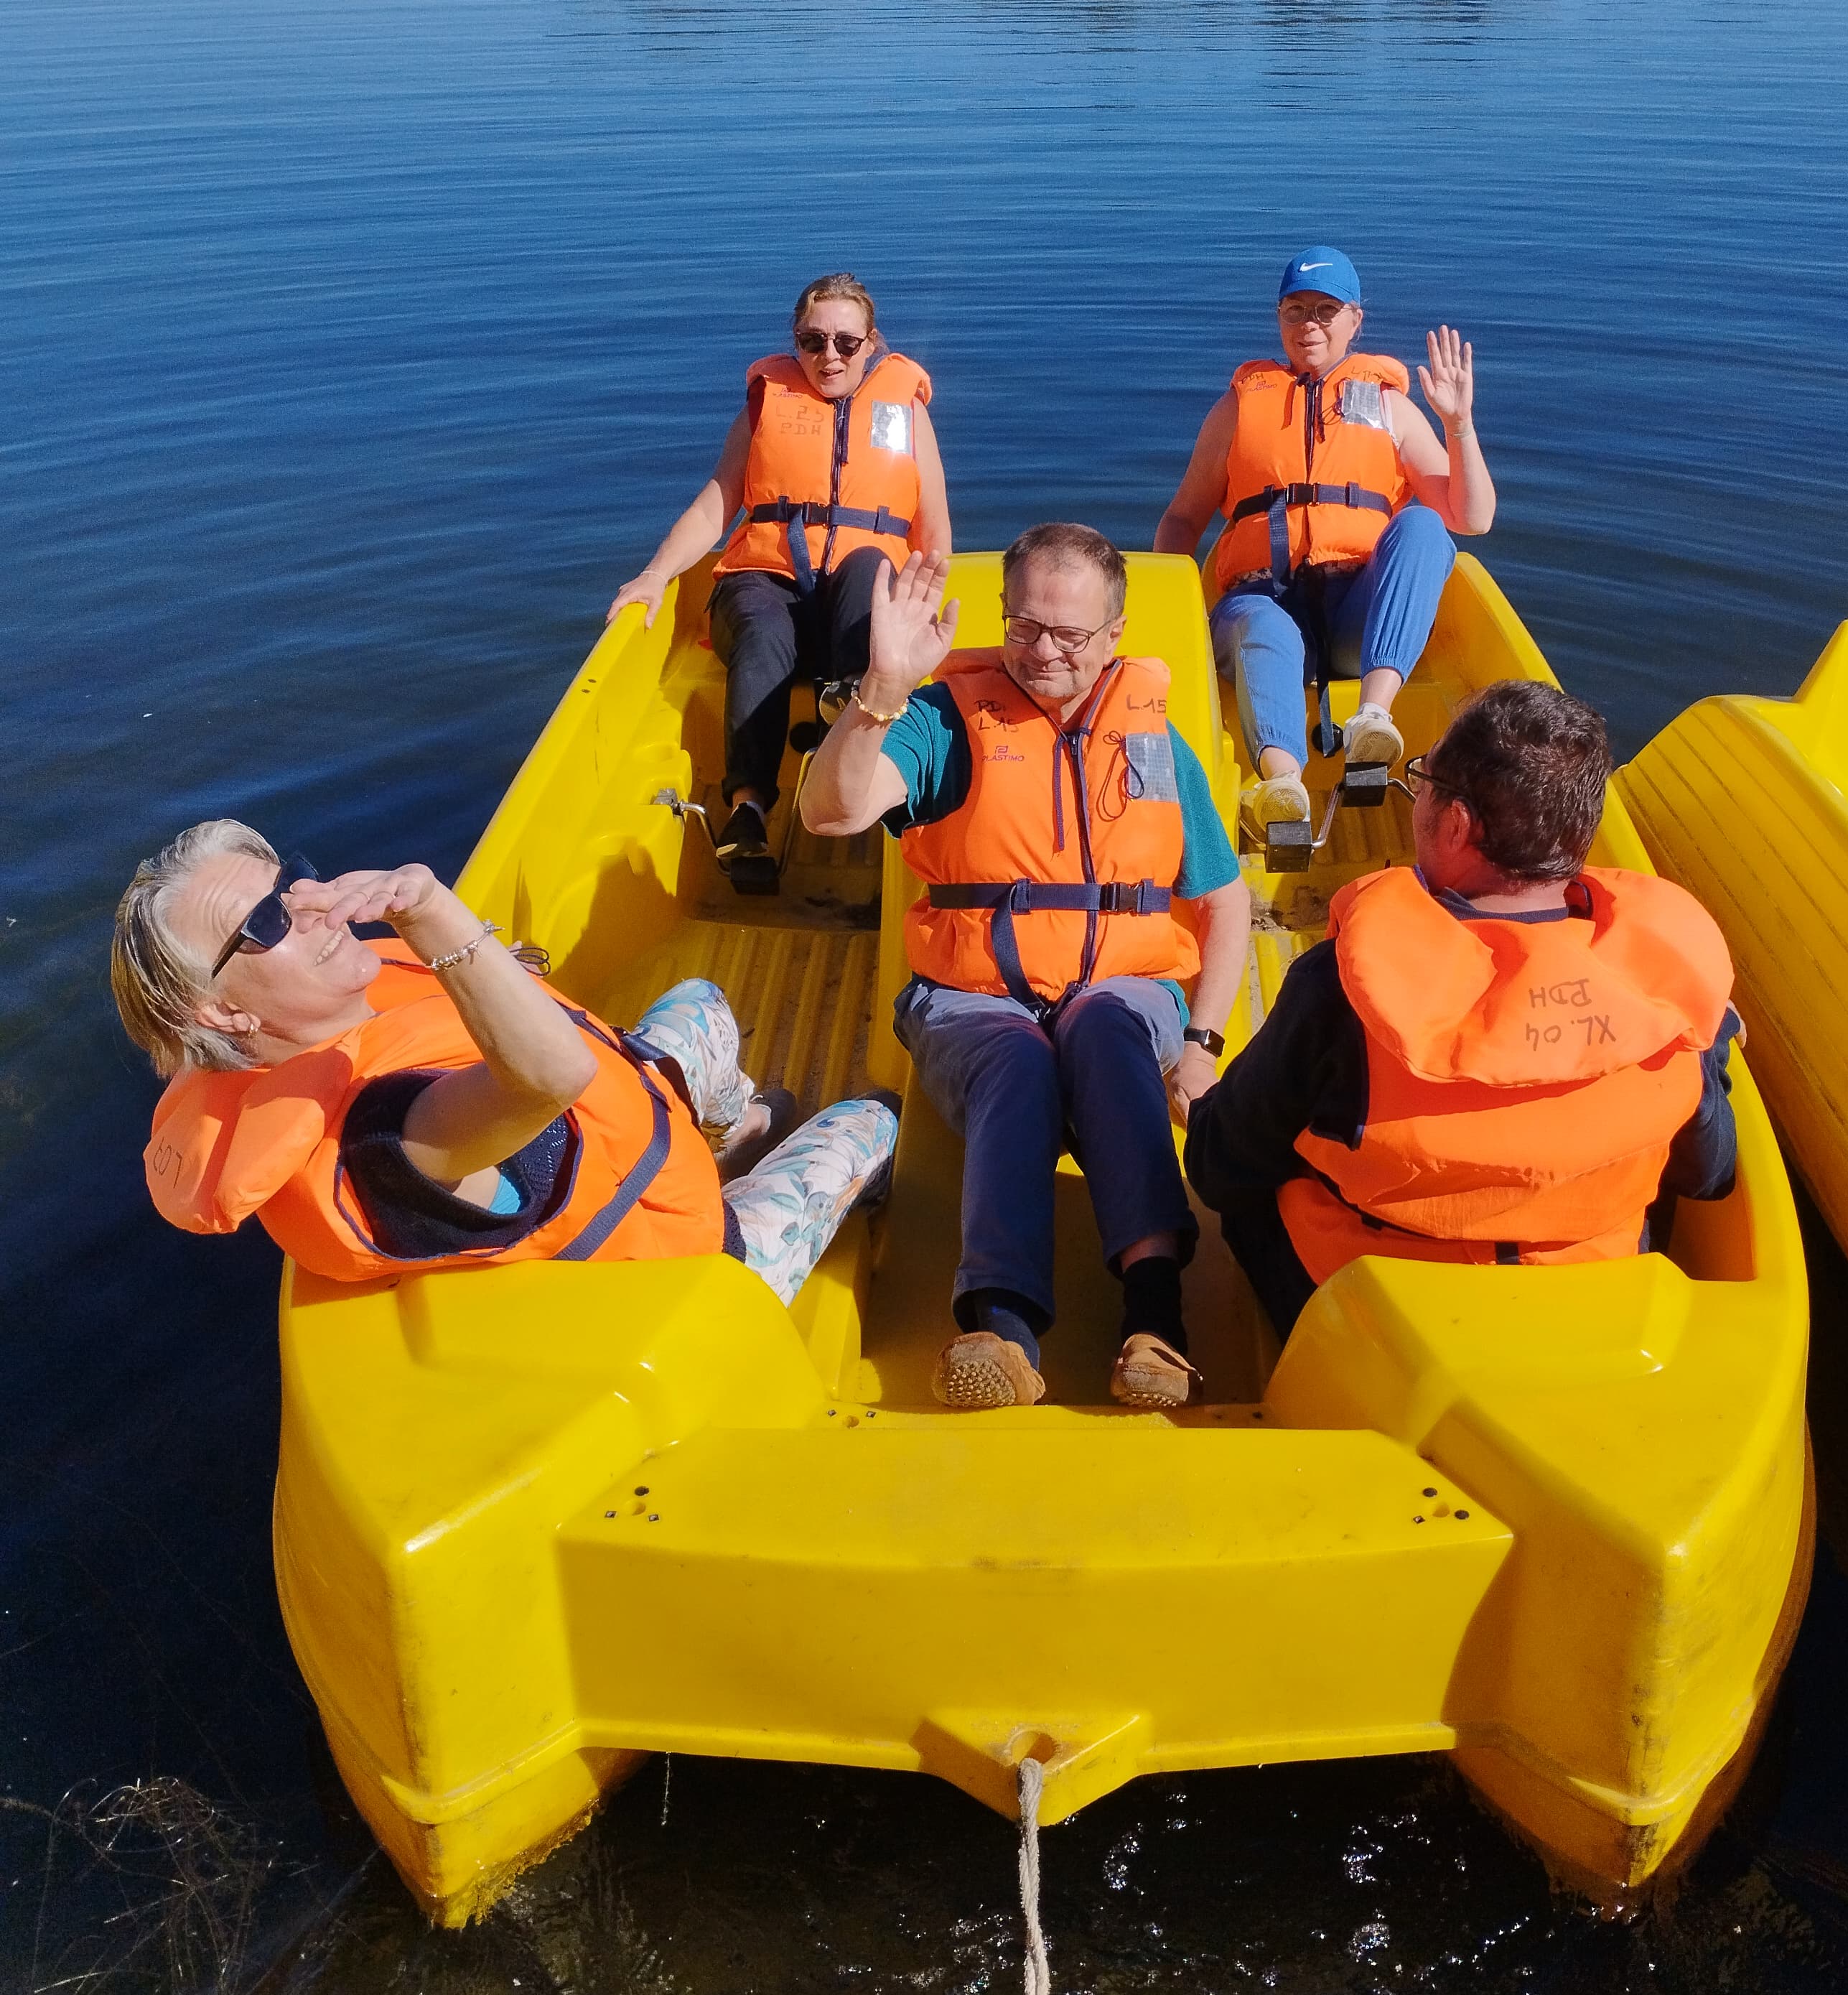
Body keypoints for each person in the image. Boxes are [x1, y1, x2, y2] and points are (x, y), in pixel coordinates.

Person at [801, 526, 1253, 1413]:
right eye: (1025, 627)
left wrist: (1201, 1047)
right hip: (974, 996)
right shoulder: (942, 720)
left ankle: (1155, 1322)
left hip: (1123, 988)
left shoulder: (1155, 740)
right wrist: (881, 692)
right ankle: (1000, 1330)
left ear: (1115, 635)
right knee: (1018, 1060)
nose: (1044, 652)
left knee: (1108, 1032)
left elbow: (1225, 903)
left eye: (1070, 635)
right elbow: (831, 812)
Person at [114, 822, 897, 1302]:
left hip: (632, 1144)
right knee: (874, 1120)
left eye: (290, 881)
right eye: (266, 920)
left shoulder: (349, 1014)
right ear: (222, 1013)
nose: (311, 904)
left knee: (703, 1001)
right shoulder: (381, 1138)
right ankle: (788, 1188)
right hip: (680, 1265)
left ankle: (735, 1132)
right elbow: (554, 1077)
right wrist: (430, 910)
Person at [1183, 680, 1743, 1336]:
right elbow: (1710, 1173)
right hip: (1592, 1305)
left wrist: (1204, 1093)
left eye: (1423, 776)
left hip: (1383, 1321)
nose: (1417, 789)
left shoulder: (1340, 988)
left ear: (1456, 824)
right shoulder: (1670, 988)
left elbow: (1220, 1172)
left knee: (1246, 1188)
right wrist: (1715, 1044)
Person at [606, 274, 953, 882]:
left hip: (856, 608)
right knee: (762, 629)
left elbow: (934, 532)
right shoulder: (767, 401)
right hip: (765, 581)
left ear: (872, 343)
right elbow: (717, 503)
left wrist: (924, 615)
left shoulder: (905, 409)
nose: (829, 356)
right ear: (796, 342)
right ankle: (747, 812)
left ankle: (854, 717)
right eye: (813, 341)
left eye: (846, 343)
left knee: (871, 568)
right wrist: (655, 575)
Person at [1154, 246, 1497, 844]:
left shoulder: (1389, 407)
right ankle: (1282, 785)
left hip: (1357, 622)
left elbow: (1473, 517)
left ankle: (1373, 718)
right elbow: (1183, 518)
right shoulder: (1238, 408)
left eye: (1325, 310)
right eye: (1296, 310)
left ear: (1355, 320)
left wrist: (1458, 424)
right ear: (1279, 317)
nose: (1309, 324)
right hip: (1261, 602)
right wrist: (1167, 616)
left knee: (1424, 526)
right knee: (1266, 625)